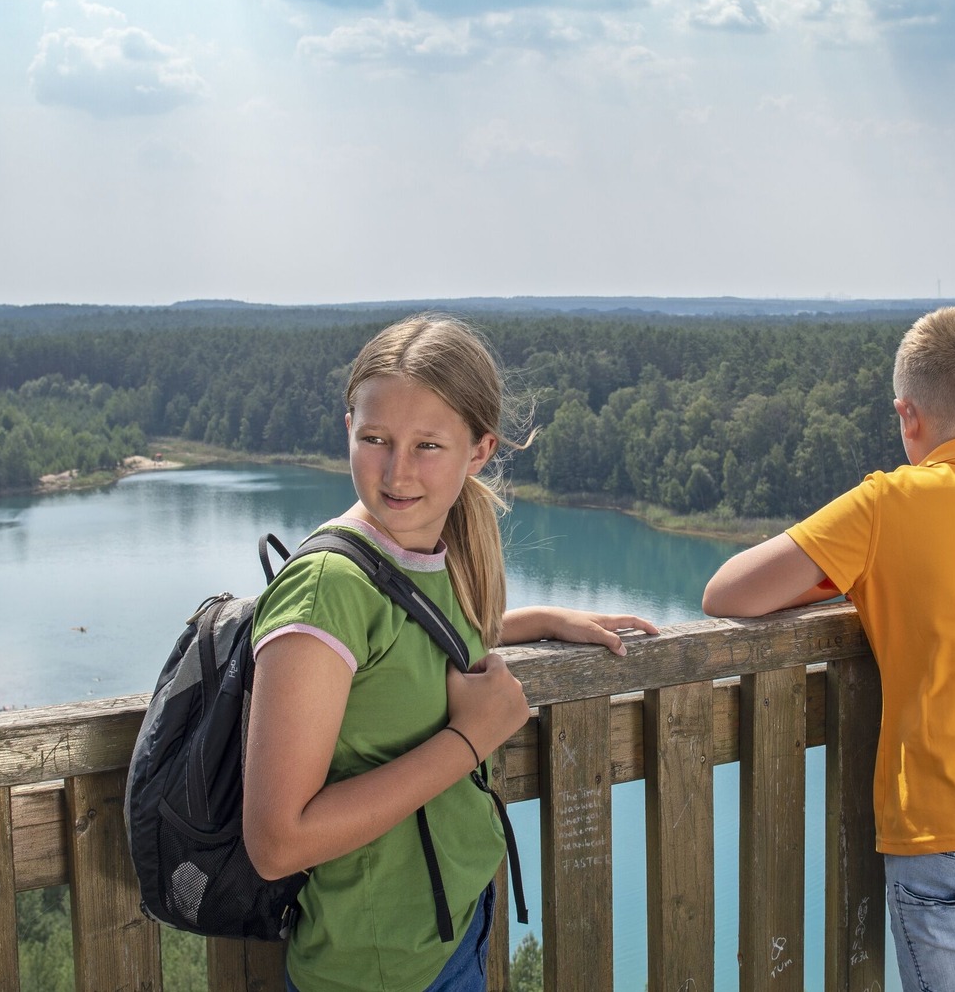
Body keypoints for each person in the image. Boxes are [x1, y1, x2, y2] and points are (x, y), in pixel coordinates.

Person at [242, 314, 656, 992]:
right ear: (348, 425)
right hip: (376, 971)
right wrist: (472, 738)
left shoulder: (432, 549)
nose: (396, 471)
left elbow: (405, 649)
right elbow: (275, 842)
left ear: (479, 449)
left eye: (427, 445)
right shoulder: (326, 589)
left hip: (451, 928)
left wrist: (540, 620)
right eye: (374, 438)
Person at [703, 306, 955, 992]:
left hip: (943, 839)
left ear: (905, 416)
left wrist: (848, 577)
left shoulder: (884, 507)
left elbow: (728, 592)